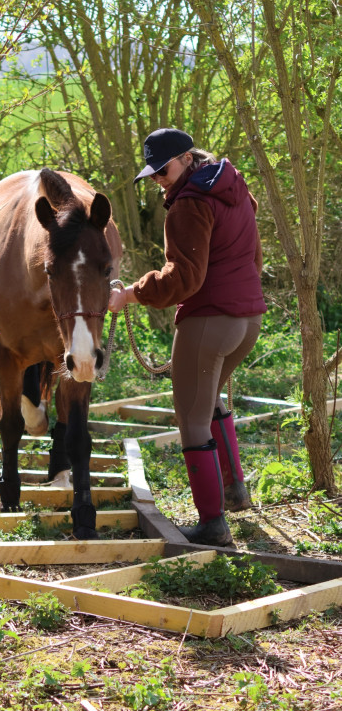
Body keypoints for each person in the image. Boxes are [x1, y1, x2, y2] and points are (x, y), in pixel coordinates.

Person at [109, 128, 266, 546]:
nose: (159, 179)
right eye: (153, 174)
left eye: (163, 170)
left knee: (191, 419)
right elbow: (254, 257)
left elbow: (184, 279)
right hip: (248, 319)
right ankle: (234, 491)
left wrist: (129, 295)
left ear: (186, 158)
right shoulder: (232, 186)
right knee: (208, 401)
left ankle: (212, 524)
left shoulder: (189, 204)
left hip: (211, 320)